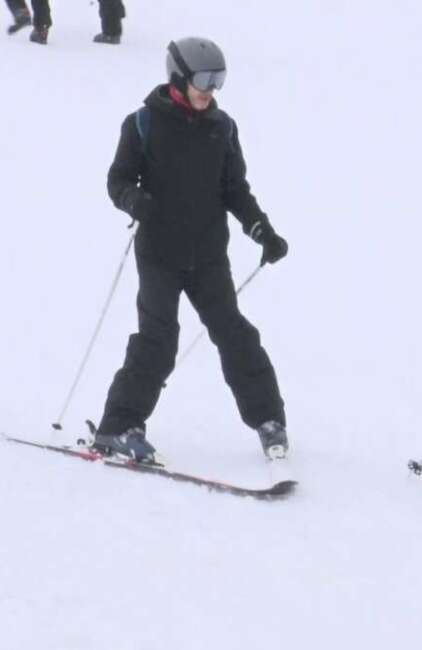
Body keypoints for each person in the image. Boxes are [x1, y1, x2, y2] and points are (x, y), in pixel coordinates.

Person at [93, 37, 290, 464]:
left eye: (219, 80)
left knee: (234, 333)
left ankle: (269, 420)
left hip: (207, 256)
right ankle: (117, 427)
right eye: (205, 80)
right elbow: (118, 180)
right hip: (159, 254)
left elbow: (234, 190)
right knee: (158, 341)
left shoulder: (223, 128)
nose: (212, 90)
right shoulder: (142, 123)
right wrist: (133, 200)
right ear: (179, 78)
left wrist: (262, 230)